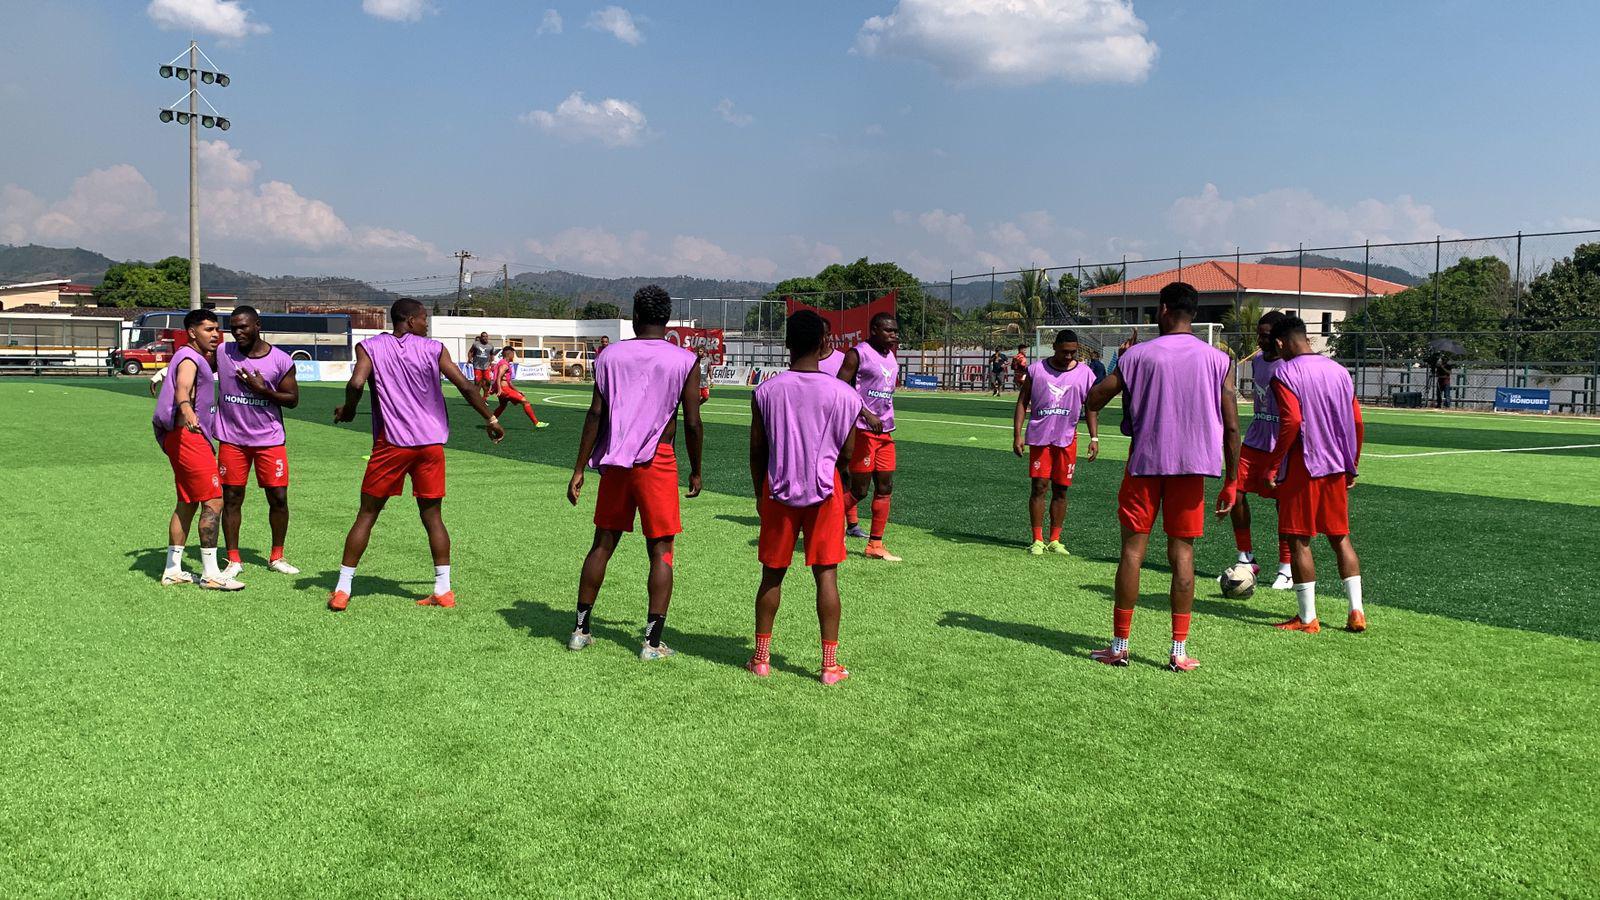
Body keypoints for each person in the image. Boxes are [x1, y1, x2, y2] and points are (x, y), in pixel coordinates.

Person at [1085, 282, 1240, 672]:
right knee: (1182, 555)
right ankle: (1178, 652)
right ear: (1194, 313)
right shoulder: (1218, 360)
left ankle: (1120, 646)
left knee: (1132, 553)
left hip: (1146, 463)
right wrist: (1232, 480)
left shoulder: (1137, 355)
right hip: (1194, 467)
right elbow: (1232, 426)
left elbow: (1095, 397)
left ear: (1165, 308)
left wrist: (1124, 380)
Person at [328, 298, 505, 612]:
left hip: (392, 444)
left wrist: (350, 410)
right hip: (430, 445)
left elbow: (356, 383)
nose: (426, 324)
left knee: (367, 515)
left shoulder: (369, 347)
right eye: (424, 318)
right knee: (433, 517)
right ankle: (443, 590)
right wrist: (490, 419)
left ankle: (343, 589)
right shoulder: (434, 349)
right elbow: (466, 386)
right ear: (409, 320)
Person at [566, 285, 705, 660]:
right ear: (667, 318)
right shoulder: (684, 360)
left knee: (602, 544)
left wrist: (579, 468)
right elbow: (693, 422)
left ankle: (580, 631)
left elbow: (595, 414)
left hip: (615, 461)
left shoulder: (609, 355)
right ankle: (652, 643)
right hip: (657, 461)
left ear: (635, 316)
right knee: (661, 551)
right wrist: (696, 470)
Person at [747, 309, 862, 685]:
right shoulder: (845, 394)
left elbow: (757, 450)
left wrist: (759, 493)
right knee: (826, 576)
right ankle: (829, 666)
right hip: (825, 490)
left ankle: (761, 659)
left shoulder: (766, 391)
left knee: (771, 575)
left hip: (778, 489)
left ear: (787, 344)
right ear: (824, 343)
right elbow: (847, 453)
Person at [1263, 316, 1367, 634]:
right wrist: (1352, 463)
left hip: (1303, 466)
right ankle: (1356, 611)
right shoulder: (1339, 371)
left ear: (1280, 342)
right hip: (1336, 467)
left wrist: (1274, 464)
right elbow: (1357, 422)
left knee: (1298, 540)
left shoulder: (1284, 373)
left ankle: (1308, 618)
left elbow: (1292, 421)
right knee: (1340, 537)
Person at [152, 309, 243, 591]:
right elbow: (183, 388)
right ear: (192, 332)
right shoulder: (190, 359)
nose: (215, 334)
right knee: (214, 501)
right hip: (189, 437)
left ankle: (172, 570)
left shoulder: (187, 356)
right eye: (208, 329)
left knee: (187, 502)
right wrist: (187, 409)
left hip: (179, 438)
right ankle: (211, 573)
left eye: (217, 329)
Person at [213, 305, 300, 579]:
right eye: (233, 328)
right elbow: (197, 365)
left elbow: (293, 400)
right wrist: (167, 373)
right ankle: (233, 559)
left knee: (278, 498)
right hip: (232, 440)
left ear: (257, 325)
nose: (237, 332)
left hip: (269, 441)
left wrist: (263, 390)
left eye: (243, 327)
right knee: (232, 498)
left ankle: (277, 556)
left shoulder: (281, 360)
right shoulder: (223, 352)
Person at [1013, 329, 1099, 555]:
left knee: (1061, 489)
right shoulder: (1037, 370)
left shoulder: (1085, 373)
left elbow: (1091, 407)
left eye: (1073, 352)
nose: (1069, 356)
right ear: (1054, 348)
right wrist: (1017, 435)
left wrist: (1094, 437)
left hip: (1067, 439)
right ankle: (1037, 540)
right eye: (1064, 351)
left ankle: (1055, 540)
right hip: (1040, 438)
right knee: (1039, 487)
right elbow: (1022, 402)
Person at [1231, 310, 1294, 590]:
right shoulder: (1257, 361)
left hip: (1282, 445)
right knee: (1235, 492)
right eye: (1259, 334)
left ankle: (1286, 568)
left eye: (1265, 336)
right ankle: (1246, 557)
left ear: (1280, 337)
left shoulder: (1291, 366)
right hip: (1255, 440)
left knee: (1284, 504)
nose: (1260, 340)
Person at [837, 313, 901, 560]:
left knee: (885, 486)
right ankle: (825, 520)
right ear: (874, 330)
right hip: (862, 429)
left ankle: (875, 545)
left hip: (885, 431)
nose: (893, 335)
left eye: (895, 331)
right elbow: (840, 387)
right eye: (888, 331)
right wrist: (866, 413)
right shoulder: (857, 354)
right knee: (860, 490)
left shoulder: (891, 355)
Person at [489, 345, 548, 429]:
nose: (514, 356)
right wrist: (499, 389)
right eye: (513, 354)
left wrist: (517, 390)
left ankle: (490, 422)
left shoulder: (502, 363)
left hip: (504, 389)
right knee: (525, 402)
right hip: (505, 390)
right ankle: (536, 423)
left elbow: (508, 382)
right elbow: (498, 377)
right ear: (509, 354)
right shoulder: (504, 365)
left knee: (502, 406)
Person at [468, 331, 495, 398]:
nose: (485, 338)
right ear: (481, 337)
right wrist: (469, 358)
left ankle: (484, 398)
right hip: (477, 366)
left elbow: (492, 354)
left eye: (486, 336)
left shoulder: (490, 345)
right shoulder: (476, 344)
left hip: (486, 366)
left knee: (488, 382)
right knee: (478, 382)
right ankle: (477, 397)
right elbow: (470, 351)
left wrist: (491, 361)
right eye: (483, 336)